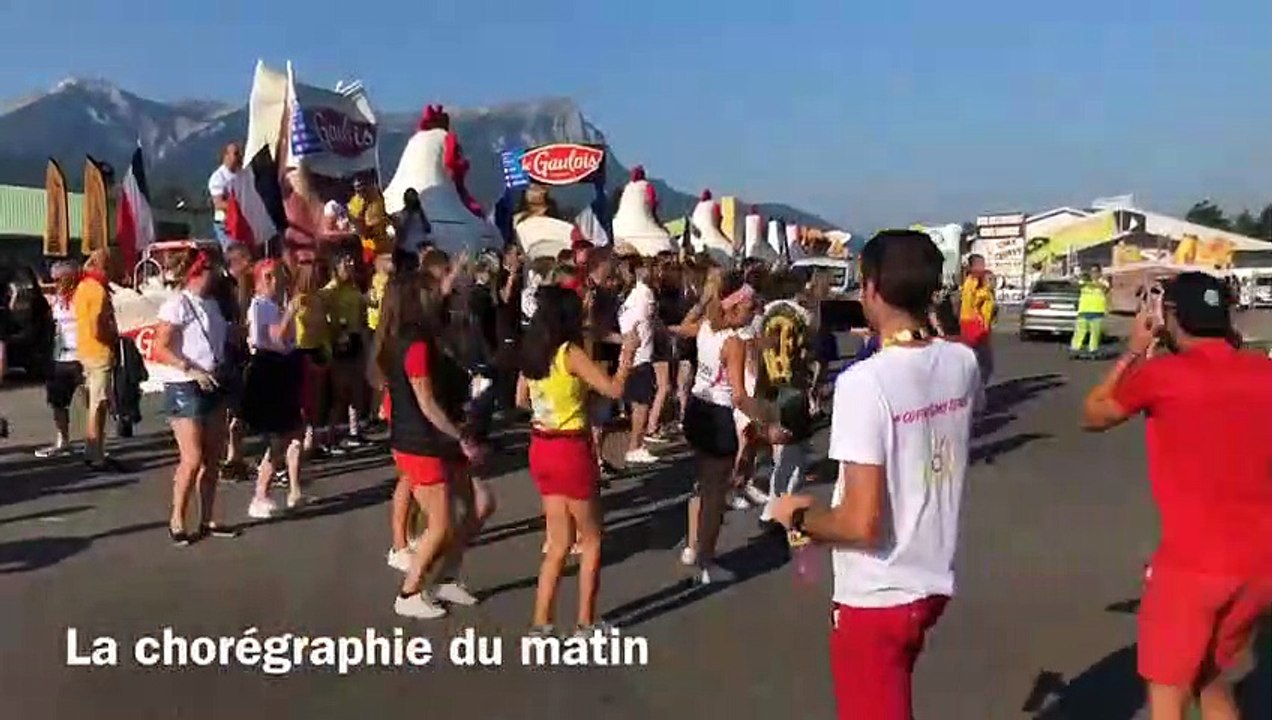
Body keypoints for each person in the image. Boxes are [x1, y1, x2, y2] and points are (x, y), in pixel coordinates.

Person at [771, 230, 981, 720]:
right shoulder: (962, 363)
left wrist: (797, 516)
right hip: (930, 579)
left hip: (878, 594)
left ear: (869, 289)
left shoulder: (864, 383)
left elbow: (859, 524)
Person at [1081, 272, 1272, 720]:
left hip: (1193, 566)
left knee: (1167, 698)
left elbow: (1093, 413)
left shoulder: (1163, 375)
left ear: (1170, 319)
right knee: (1209, 677)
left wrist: (1132, 350)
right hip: (1259, 564)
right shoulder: (1265, 372)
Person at [519, 285, 636, 634]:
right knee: (591, 538)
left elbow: (521, 399)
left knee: (557, 542)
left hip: (541, 443)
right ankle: (586, 621)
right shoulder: (569, 353)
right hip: (570, 447)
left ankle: (541, 622)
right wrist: (627, 356)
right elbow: (613, 389)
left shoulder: (533, 352)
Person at [376, 272, 482, 619]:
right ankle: (409, 591)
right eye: (431, 292)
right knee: (440, 524)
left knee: (471, 507)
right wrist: (459, 436)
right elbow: (426, 401)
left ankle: (439, 577)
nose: (438, 295)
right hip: (420, 441)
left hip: (416, 439)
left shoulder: (400, 338)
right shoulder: (415, 344)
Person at [676, 271, 790, 584]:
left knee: (700, 483)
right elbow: (739, 396)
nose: (756, 312)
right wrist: (769, 423)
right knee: (715, 496)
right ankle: (706, 562)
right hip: (717, 415)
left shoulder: (706, 329)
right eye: (751, 307)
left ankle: (691, 546)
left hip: (696, 409)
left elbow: (690, 329)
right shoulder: (733, 343)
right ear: (733, 307)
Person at [152, 251, 240, 545]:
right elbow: (160, 348)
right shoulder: (177, 304)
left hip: (213, 380)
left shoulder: (213, 303)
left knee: (213, 457)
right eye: (212, 269)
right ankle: (177, 518)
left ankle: (208, 518)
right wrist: (189, 368)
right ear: (199, 271)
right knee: (192, 457)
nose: (216, 274)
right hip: (184, 385)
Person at [243, 259, 307, 517]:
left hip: (284, 366)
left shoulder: (274, 306)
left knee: (294, 432)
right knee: (278, 437)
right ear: (257, 281)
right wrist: (291, 312)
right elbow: (276, 337)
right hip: (269, 368)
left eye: (277, 276)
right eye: (267, 277)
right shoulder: (259, 306)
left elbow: (288, 339)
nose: (274, 281)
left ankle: (293, 489)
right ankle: (261, 493)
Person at [73, 248, 122, 472]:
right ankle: (94, 453)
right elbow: (97, 327)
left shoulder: (83, 286)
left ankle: (95, 448)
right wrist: (113, 336)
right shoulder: (98, 290)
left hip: (84, 350)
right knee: (99, 404)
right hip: (98, 351)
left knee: (94, 402)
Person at [321, 252, 370, 453]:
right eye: (346, 262)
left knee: (356, 389)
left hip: (356, 338)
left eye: (351, 261)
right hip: (339, 342)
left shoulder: (354, 287)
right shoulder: (330, 291)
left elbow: (361, 311)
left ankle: (354, 431)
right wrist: (337, 332)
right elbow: (323, 317)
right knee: (340, 393)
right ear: (336, 266)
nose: (350, 265)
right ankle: (330, 438)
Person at [35, 261, 84, 458]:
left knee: (91, 400)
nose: (55, 283)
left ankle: (96, 440)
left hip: (81, 356)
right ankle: (63, 440)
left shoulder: (83, 297)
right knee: (57, 402)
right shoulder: (54, 302)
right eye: (53, 279)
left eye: (58, 279)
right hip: (59, 357)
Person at [618, 257, 659, 465]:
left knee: (637, 404)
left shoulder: (630, 295)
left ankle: (636, 444)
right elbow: (650, 320)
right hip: (640, 355)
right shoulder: (644, 292)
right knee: (641, 404)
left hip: (632, 354)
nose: (653, 272)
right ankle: (635, 446)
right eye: (648, 268)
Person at [291, 263, 331, 458]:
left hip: (318, 348)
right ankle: (300, 438)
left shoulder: (319, 299)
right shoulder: (298, 301)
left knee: (317, 399)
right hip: (302, 350)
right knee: (304, 400)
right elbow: (297, 328)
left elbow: (323, 326)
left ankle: (312, 437)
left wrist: (327, 351)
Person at [958, 254, 995, 383]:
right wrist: (986, 290)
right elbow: (970, 302)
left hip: (980, 324)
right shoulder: (971, 282)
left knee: (983, 361)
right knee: (982, 361)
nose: (983, 267)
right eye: (980, 264)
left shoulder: (980, 281)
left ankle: (977, 386)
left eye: (983, 264)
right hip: (972, 324)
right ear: (972, 266)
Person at [208, 143, 244, 250]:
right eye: (235, 154)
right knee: (234, 254)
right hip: (225, 224)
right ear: (226, 156)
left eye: (239, 154)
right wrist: (238, 208)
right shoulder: (218, 177)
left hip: (242, 222)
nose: (238, 157)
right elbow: (218, 204)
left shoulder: (241, 173)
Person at [348, 178, 391, 263]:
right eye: (358, 190)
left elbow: (380, 219)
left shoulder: (376, 198)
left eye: (363, 189)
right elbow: (355, 222)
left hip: (381, 240)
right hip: (366, 243)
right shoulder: (354, 202)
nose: (361, 192)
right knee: (369, 263)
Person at [1070, 265, 1109, 359]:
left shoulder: (1103, 282)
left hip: (1097, 311)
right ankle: (1075, 349)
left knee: (1095, 333)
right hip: (1083, 311)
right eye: (1092, 272)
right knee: (1080, 332)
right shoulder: (1084, 282)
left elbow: (1104, 288)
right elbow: (1074, 284)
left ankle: (1093, 350)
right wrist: (1078, 277)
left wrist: (1089, 283)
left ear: (1100, 273)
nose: (1094, 274)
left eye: (1096, 272)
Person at [391, 188, 432, 265]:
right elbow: (428, 229)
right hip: (420, 248)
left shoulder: (404, 215)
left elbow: (401, 235)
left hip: (408, 251)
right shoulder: (420, 213)